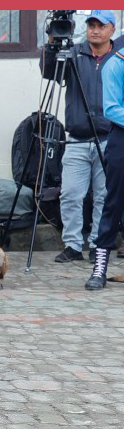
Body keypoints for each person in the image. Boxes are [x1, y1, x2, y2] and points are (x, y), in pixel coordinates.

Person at [44, 11, 120, 264]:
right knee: (71, 194)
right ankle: (73, 244)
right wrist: (53, 44)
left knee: (103, 195)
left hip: (109, 137)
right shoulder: (74, 54)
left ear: (112, 30)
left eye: (101, 26)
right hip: (77, 138)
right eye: (91, 25)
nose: (95, 30)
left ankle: (99, 245)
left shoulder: (118, 59)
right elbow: (49, 73)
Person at [86, 33, 124, 289]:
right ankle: (100, 266)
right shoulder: (115, 64)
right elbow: (111, 108)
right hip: (121, 138)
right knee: (113, 203)